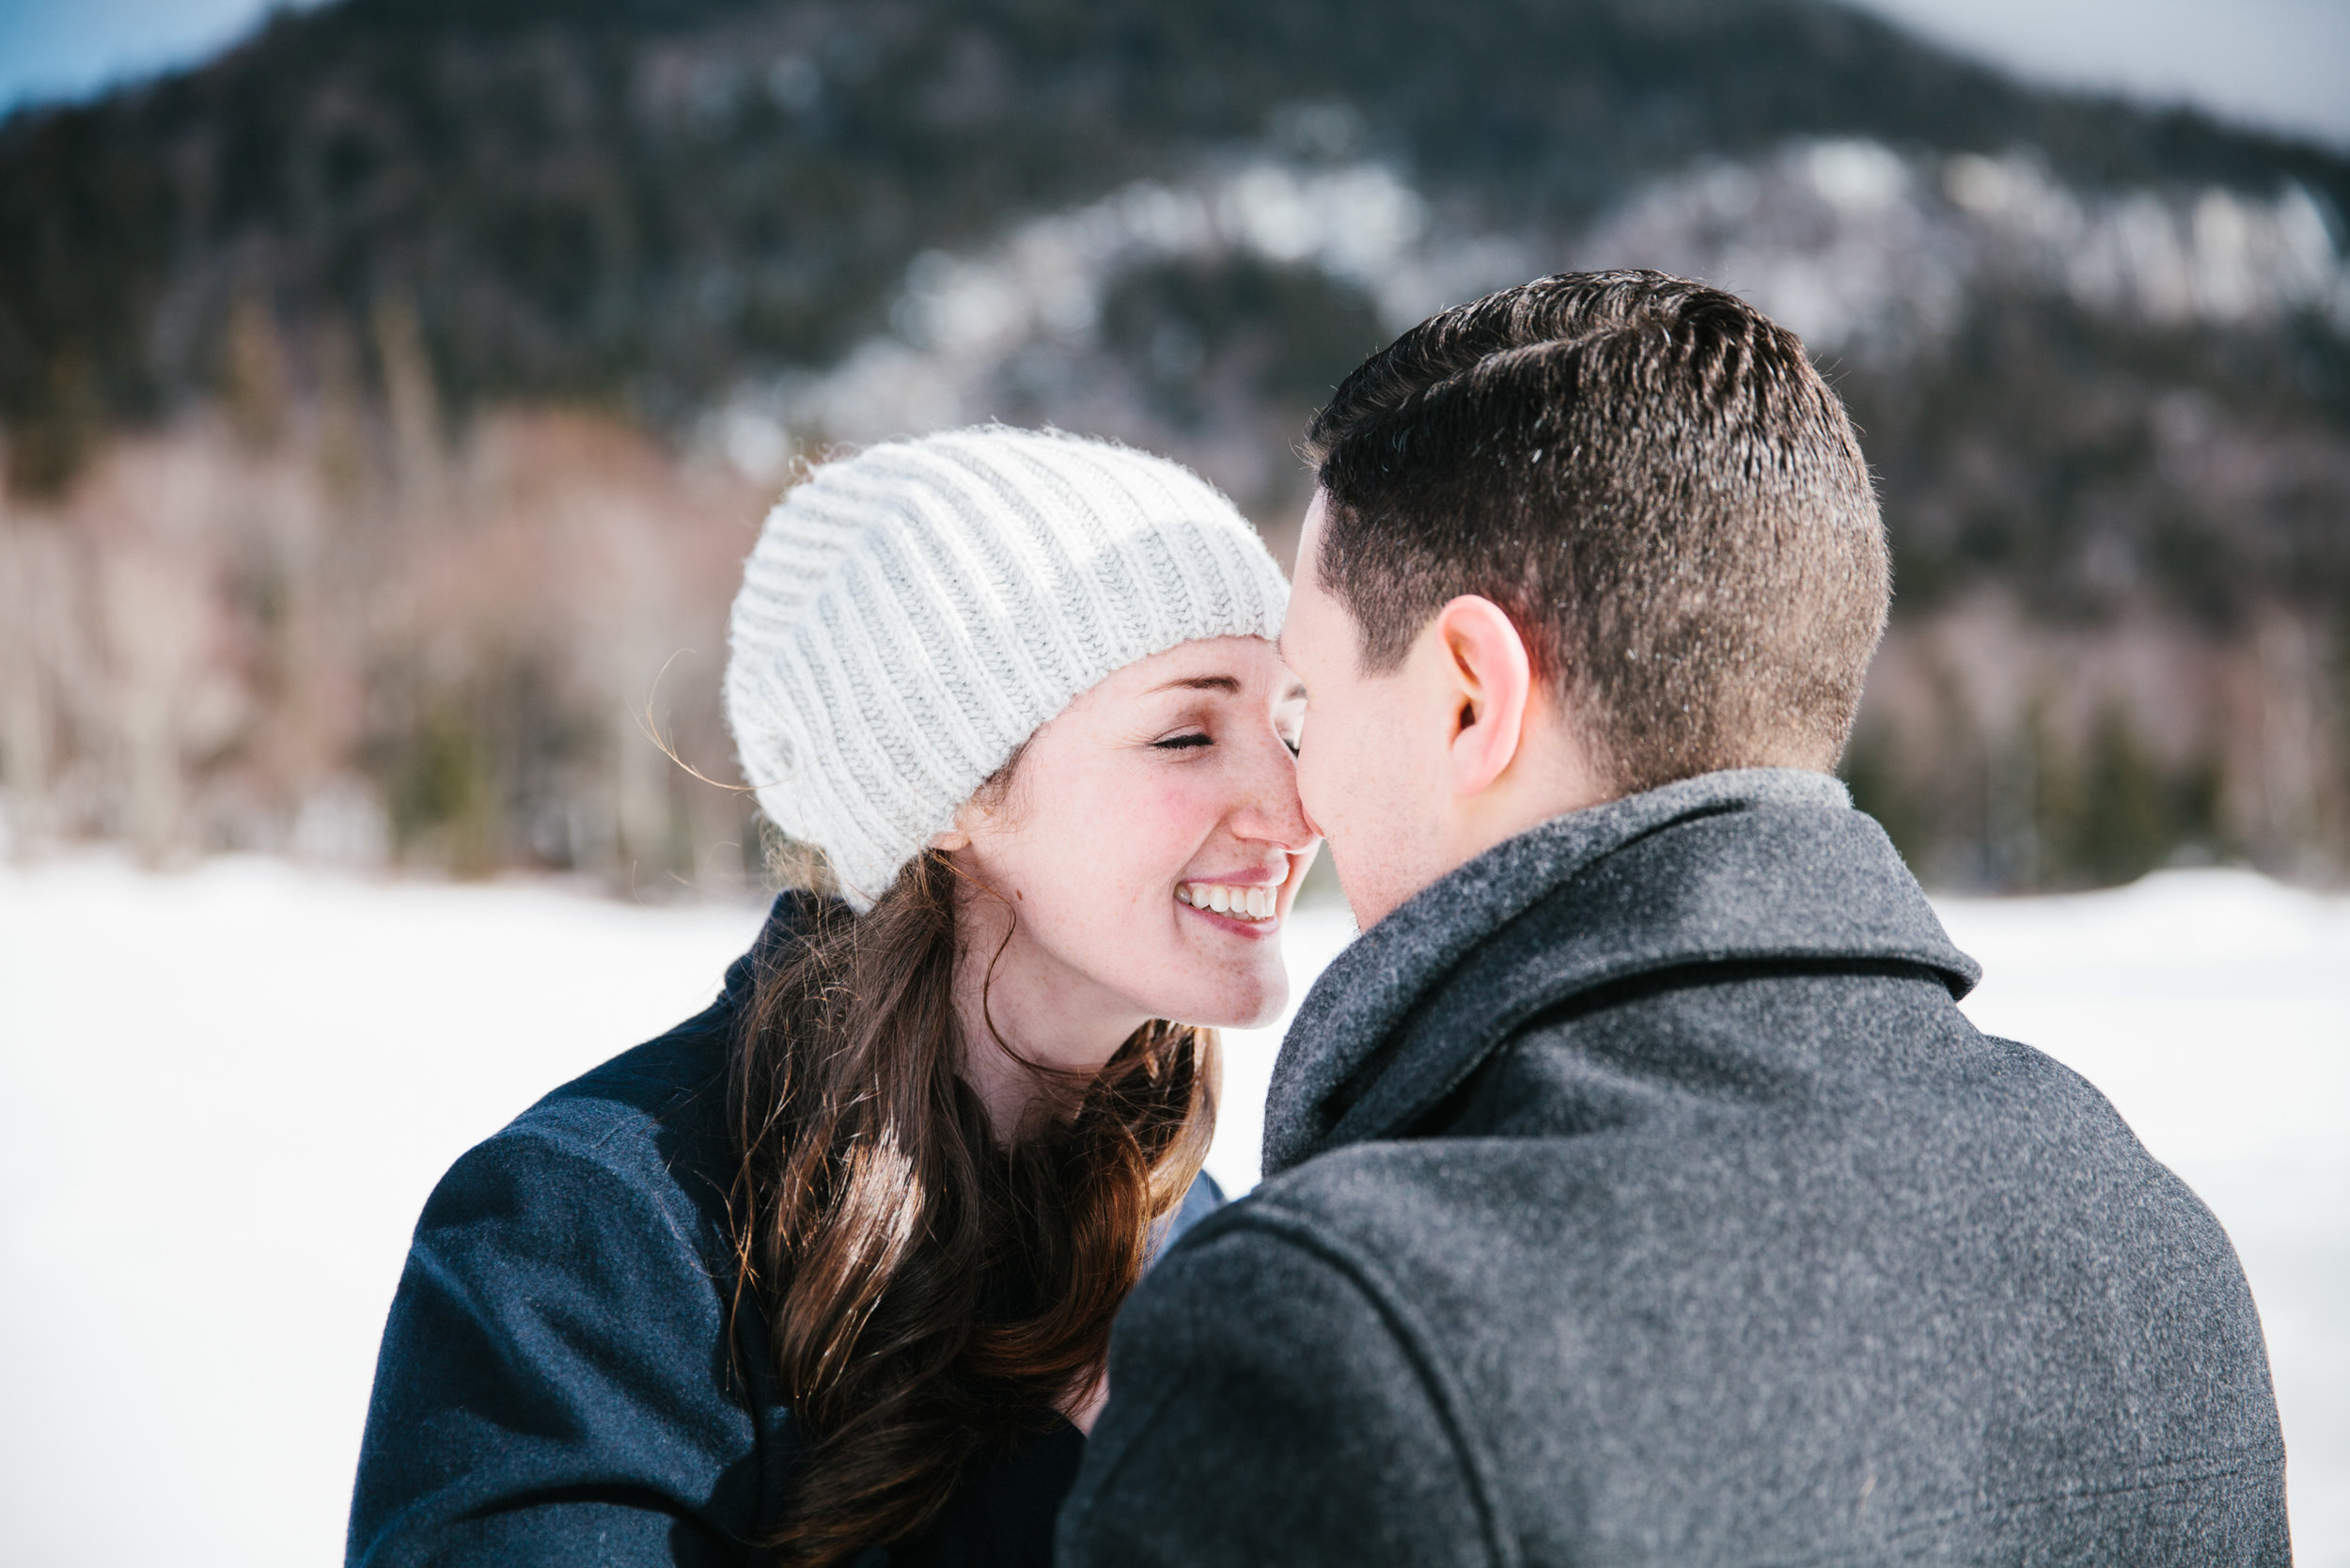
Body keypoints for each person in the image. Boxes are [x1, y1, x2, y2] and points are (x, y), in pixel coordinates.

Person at [1057, 273, 2289, 1565]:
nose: (1293, 792)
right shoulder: (2151, 1245)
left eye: (1307, 707)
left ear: (1472, 697)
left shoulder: (1331, 1343)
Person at [347, 426, 1318, 1567]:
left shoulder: (1193, 1231)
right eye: (1186, 733)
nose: (1298, 811)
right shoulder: (599, 1237)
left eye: (1293, 729)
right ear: (951, 792)